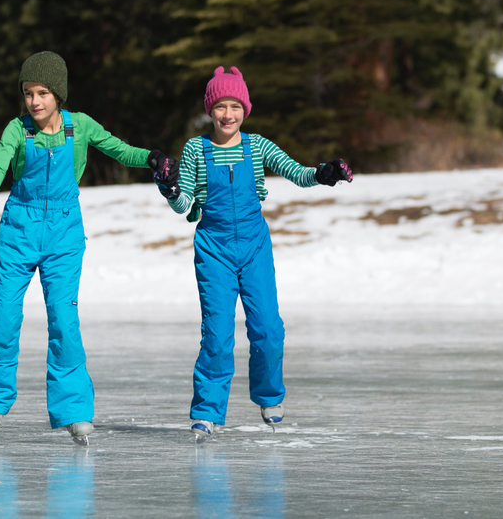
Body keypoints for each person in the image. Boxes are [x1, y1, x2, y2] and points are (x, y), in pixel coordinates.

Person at [0, 51, 177, 445]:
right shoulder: (17, 129)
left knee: (64, 322)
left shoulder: (79, 127)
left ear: (58, 95)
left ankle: (74, 411)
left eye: (43, 93)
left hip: (64, 233)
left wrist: (151, 157)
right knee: (2, 317)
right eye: (29, 93)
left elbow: (119, 149)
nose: (34, 101)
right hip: (19, 229)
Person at [151, 65, 354, 439]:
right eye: (220, 107)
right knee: (217, 333)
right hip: (214, 248)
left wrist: (325, 172)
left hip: (255, 246)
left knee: (268, 328)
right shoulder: (197, 149)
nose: (228, 115)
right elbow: (185, 208)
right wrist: (168, 187)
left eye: (235, 106)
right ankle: (207, 410)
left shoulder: (257, 146)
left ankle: (269, 395)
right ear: (209, 110)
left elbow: (296, 172)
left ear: (245, 109)